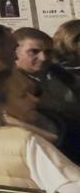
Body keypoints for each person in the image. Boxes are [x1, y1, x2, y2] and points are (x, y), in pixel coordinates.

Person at [15, 27, 80, 159]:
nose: (43, 57)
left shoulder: (62, 75)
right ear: (15, 52)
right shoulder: (11, 86)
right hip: (48, 152)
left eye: (48, 52)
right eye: (33, 52)